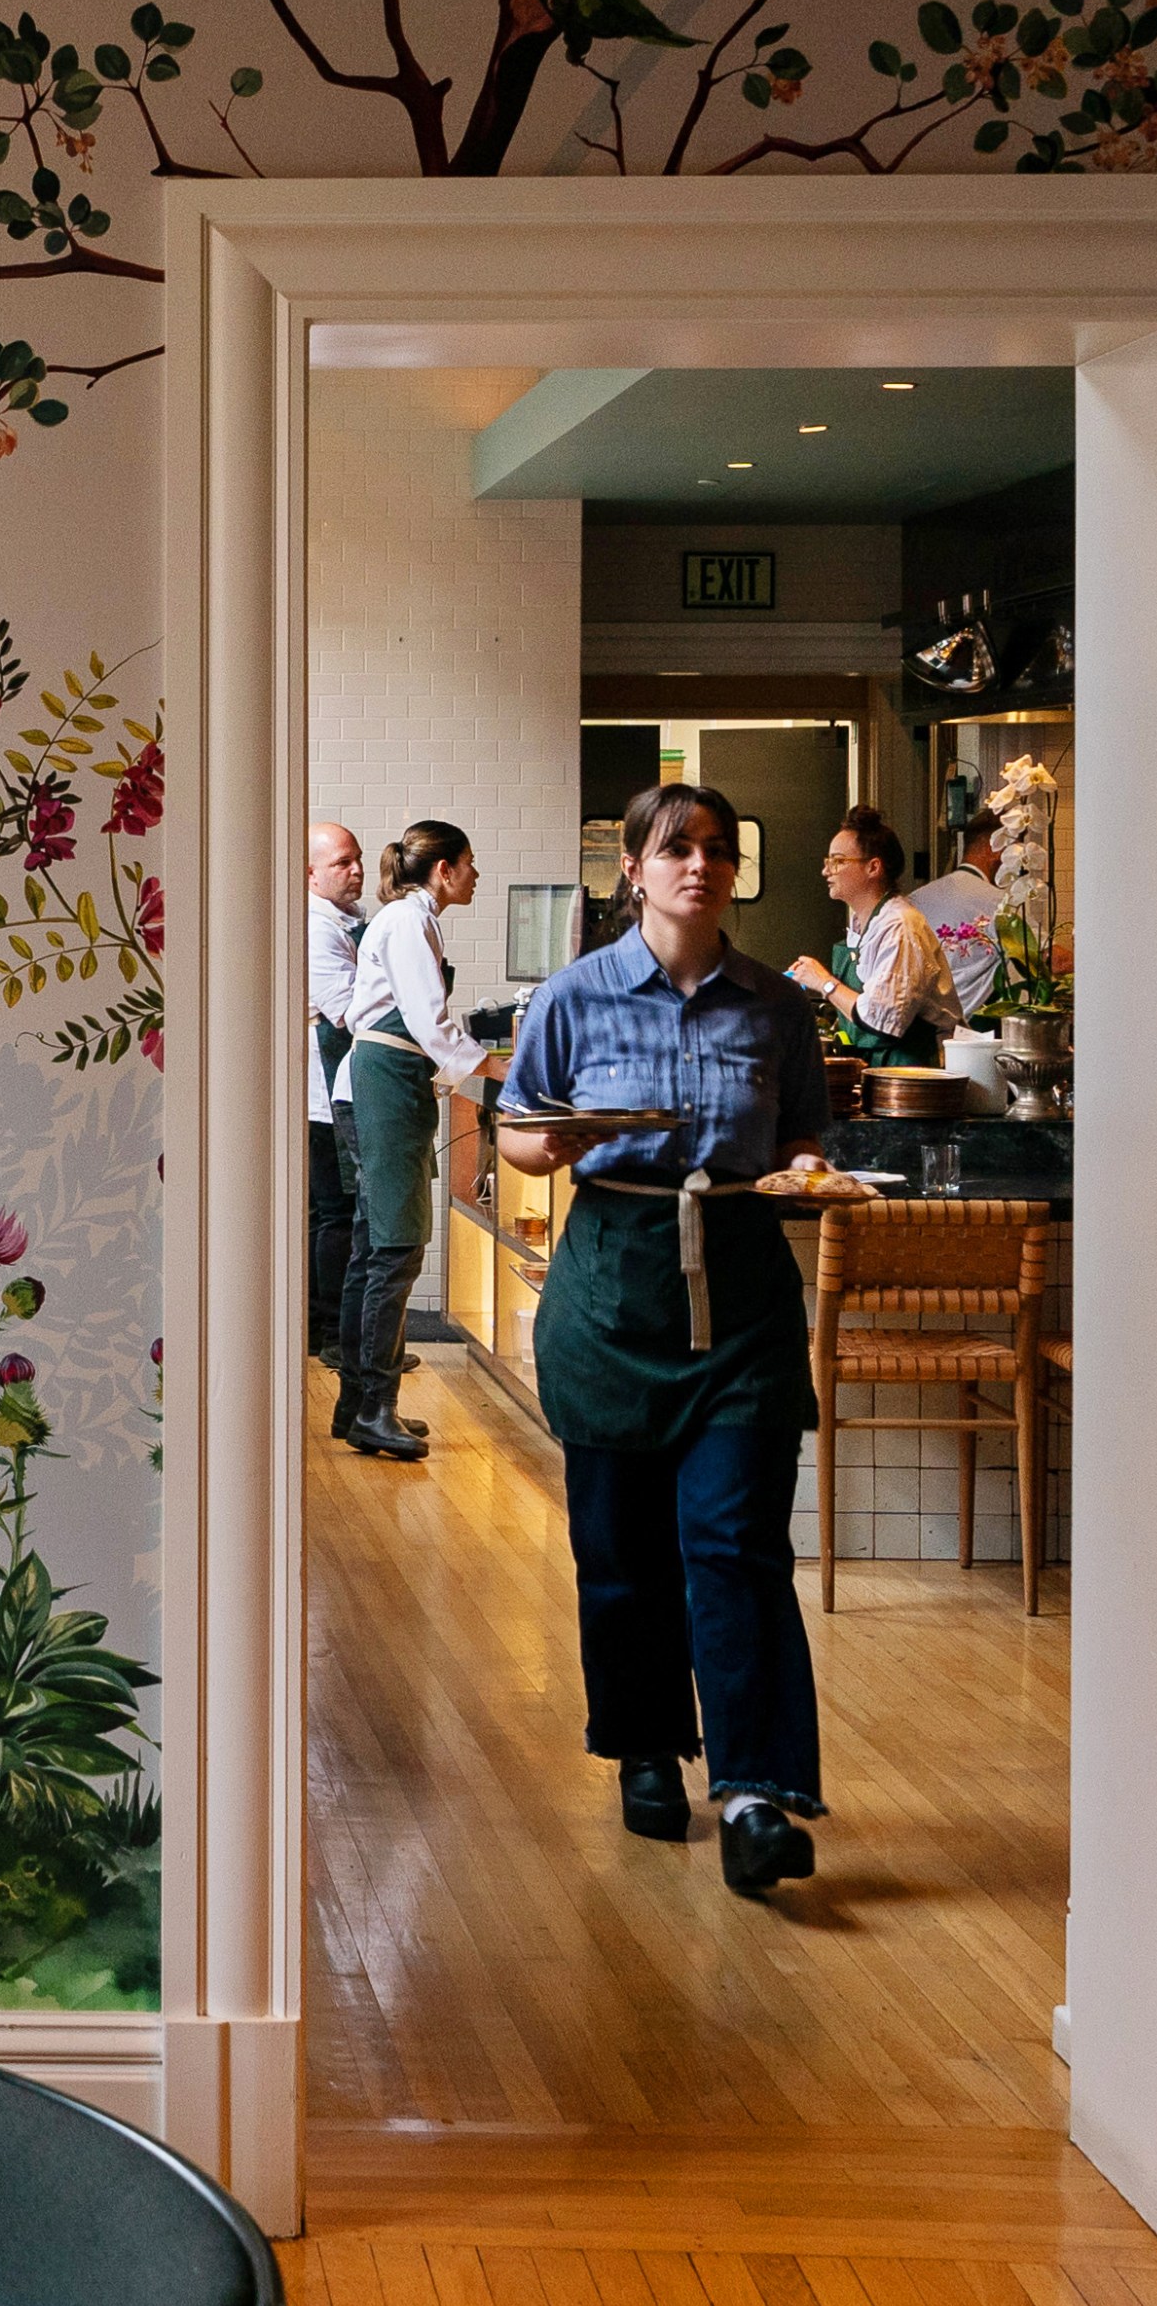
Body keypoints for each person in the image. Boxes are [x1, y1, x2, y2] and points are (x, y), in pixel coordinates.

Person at [497, 780, 832, 1895]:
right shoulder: (574, 997)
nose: (699, 865)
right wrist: (546, 1148)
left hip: (739, 1290)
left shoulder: (778, 1007)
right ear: (632, 868)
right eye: (675, 848)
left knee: (735, 1543)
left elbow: (799, 1142)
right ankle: (645, 1745)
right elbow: (522, 1130)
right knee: (621, 1550)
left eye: (717, 850)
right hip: (614, 1287)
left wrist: (811, 1180)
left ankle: (755, 1793)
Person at [332, 818, 492, 1464]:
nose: (477, 874)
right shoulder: (407, 921)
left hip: (386, 1084)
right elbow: (429, 1022)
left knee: (375, 1249)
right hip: (382, 1085)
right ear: (444, 869)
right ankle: (374, 1409)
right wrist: (493, 1068)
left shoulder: (412, 919)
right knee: (395, 1249)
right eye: (471, 862)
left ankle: (359, 1406)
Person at [790, 806, 958, 1061]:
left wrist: (823, 981)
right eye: (828, 862)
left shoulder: (900, 926)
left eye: (838, 861)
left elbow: (882, 1021)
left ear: (873, 867)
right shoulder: (863, 926)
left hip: (914, 1077)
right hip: (879, 1072)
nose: (827, 871)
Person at [307, 823, 366, 1364]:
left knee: (326, 1214)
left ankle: (330, 1332)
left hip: (329, 1089)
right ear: (310, 873)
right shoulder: (316, 929)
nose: (356, 871)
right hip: (320, 1094)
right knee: (336, 1214)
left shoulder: (343, 923)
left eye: (358, 860)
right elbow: (347, 1010)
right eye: (342, 863)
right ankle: (331, 1336)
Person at [910, 807, 1005, 1017]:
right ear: (994, 848)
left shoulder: (916, 898)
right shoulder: (998, 902)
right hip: (970, 1024)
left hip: (923, 1021)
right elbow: (1048, 957)